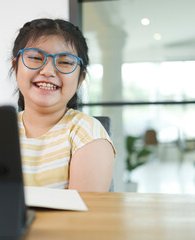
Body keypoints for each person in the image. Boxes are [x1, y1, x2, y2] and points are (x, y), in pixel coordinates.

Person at [10, 18, 116, 192]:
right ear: (16, 68)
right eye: (36, 58)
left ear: (80, 78)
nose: (48, 71)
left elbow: (83, 216)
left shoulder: (87, 133)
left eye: (65, 62)